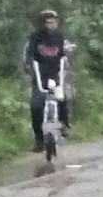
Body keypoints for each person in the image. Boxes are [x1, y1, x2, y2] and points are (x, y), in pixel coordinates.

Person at [23, 10, 73, 152]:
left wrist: (68, 61)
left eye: (53, 21)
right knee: (36, 106)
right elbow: (29, 54)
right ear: (43, 24)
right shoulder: (36, 37)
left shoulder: (60, 37)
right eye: (47, 22)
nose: (50, 24)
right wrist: (28, 64)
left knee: (62, 98)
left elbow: (67, 53)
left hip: (56, 74)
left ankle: (64, 125)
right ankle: (39, 139)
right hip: (40, 76)